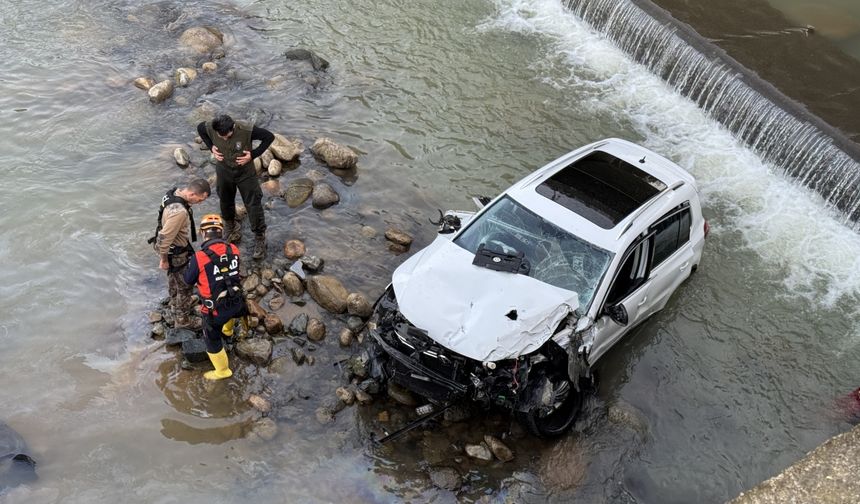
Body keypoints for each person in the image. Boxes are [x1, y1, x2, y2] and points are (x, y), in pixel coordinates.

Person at [197, 114, 275, 260]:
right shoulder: (212, 127)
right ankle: (230, 226)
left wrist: (253, 154)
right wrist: (211, 147)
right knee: (225, 199)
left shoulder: (246, 130)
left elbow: (269, 137)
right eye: (221, 136)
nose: (224, 138)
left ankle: (259, 237)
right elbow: (200, 128)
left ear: (232, 127)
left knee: (253, 203)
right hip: (224, 170)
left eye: (227, 136)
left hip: (245, 173)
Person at [184, 214, 248, 380]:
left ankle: (222, 370)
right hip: (236, 302)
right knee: (230, 310)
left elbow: (188, 280)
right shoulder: (233, 248)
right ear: (221, 232)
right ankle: (228, 331)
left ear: (203, 233)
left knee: (211, 339)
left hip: (214, 310)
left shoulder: (199, 257)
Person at [149, 179, 211, 329]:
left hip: (172, 250)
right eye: (200, 199)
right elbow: (163, 238)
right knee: (185, 286)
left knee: (173, 278)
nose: (200, 203)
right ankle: (182, 320)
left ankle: (173, 304)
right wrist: (163, 259)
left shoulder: (173, 194)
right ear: (191, 194)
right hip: (175, 252)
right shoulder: (179, 212)